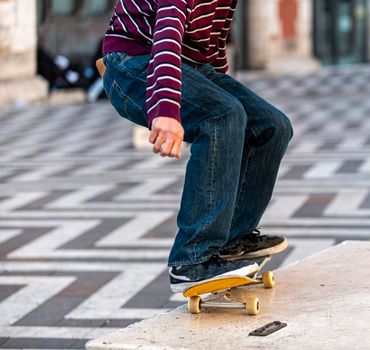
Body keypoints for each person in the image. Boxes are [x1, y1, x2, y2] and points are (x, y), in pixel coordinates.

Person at [101, 0, 292, 292]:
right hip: (135, 62)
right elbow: (166, 34)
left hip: (191, 67)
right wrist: (165, 108)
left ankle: (231, 240)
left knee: (271, 126)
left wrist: (220, 90)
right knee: (222, 115)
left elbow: (213, 46)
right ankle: (191, 260)